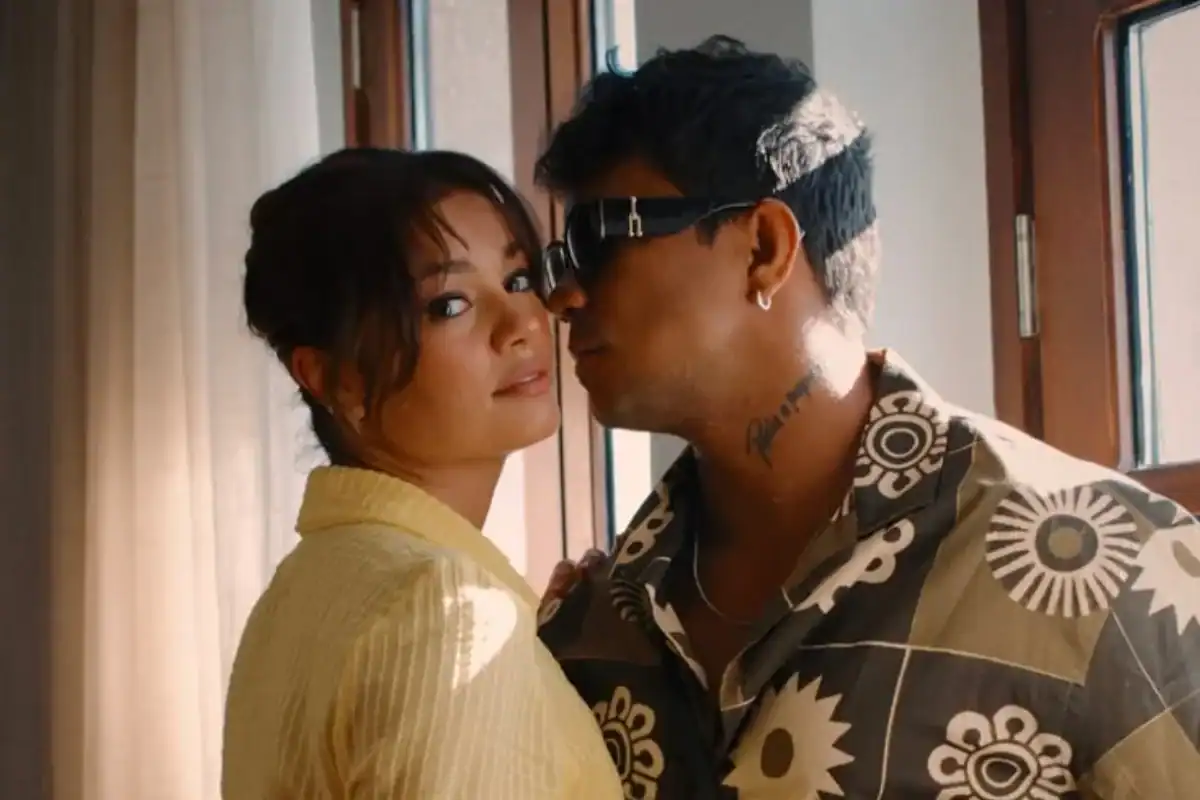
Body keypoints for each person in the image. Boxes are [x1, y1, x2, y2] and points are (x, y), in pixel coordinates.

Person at [534, 36, 1200, 799]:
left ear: (764, 248)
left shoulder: (1113, 571)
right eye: (559, 262)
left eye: (598, 241)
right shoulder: (596, 622)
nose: (563, 297)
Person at [222, 148, 623, 799]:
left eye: (519, 279)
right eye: (450, 305)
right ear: (336, 378)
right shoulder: (447, 608)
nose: (522, 323)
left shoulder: (297, 596)